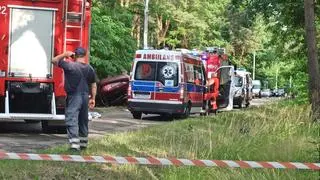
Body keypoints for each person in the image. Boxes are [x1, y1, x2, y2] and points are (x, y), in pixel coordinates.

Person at [52, 47, 97, 151]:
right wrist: (93, 98)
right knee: (83, 120)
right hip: (85, 96)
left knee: (72, 118)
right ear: (85, 55)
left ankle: (74, 145)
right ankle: (83, 144)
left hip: (74, 97)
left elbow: (54, 60)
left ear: (75, 55)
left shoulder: (69, 65)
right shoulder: (90, 68)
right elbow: (94, 85)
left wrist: (64, 54)